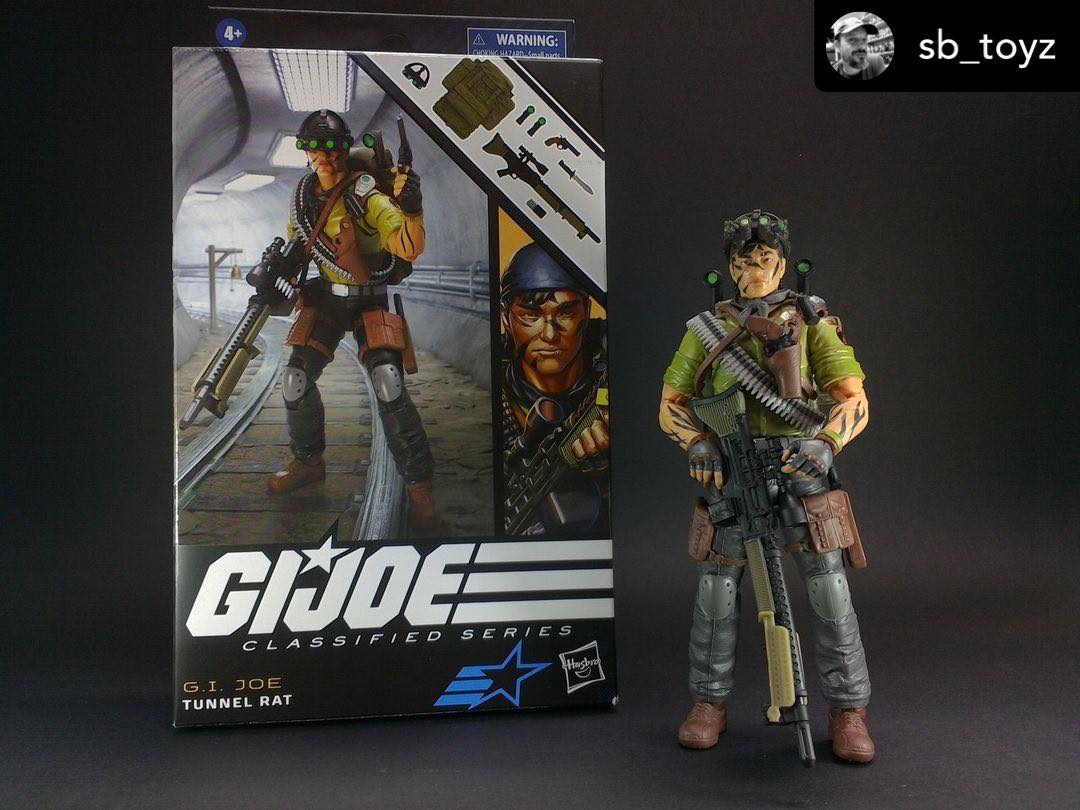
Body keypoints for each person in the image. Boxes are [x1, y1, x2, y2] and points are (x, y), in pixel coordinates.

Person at [658, 210, 876, 763]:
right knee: (716, 590)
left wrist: (825, 444)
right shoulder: (706, 329)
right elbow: (671, 404)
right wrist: (697, 443)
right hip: (733, 474)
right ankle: (708, 702)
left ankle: (848, 709)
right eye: (742, 260)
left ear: (782, 264)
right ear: (729, 267)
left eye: (763, 259)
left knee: (828, 588)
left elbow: (853, 398)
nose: (752, 269)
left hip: (802, 472)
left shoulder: (812, 321)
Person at [265, 109, 439, 531]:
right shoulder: (303, 198)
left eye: (333, 148)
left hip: (368, 299)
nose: (326, 157)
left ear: (345, 150)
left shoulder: (366, 194)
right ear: (306, 152)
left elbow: (408, 247)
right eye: (316, 149)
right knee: (295, 380)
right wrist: (280, 266)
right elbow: (298, 242)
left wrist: (412, 209)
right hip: (327, 299)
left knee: (388, 383)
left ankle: (419, 487)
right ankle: (309, 462)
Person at [500, 243, 609, 536]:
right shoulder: (493, 384)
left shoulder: (611, 354)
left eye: (565, 313)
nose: (549, 334)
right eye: (530, 315)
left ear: (586, 312)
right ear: (506, 317)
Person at [830, 15, 888, 80]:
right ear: (837, 46)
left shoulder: (875, 62)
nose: (862, 46)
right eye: (852, 39)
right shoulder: (835, 68)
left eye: (864, 39)